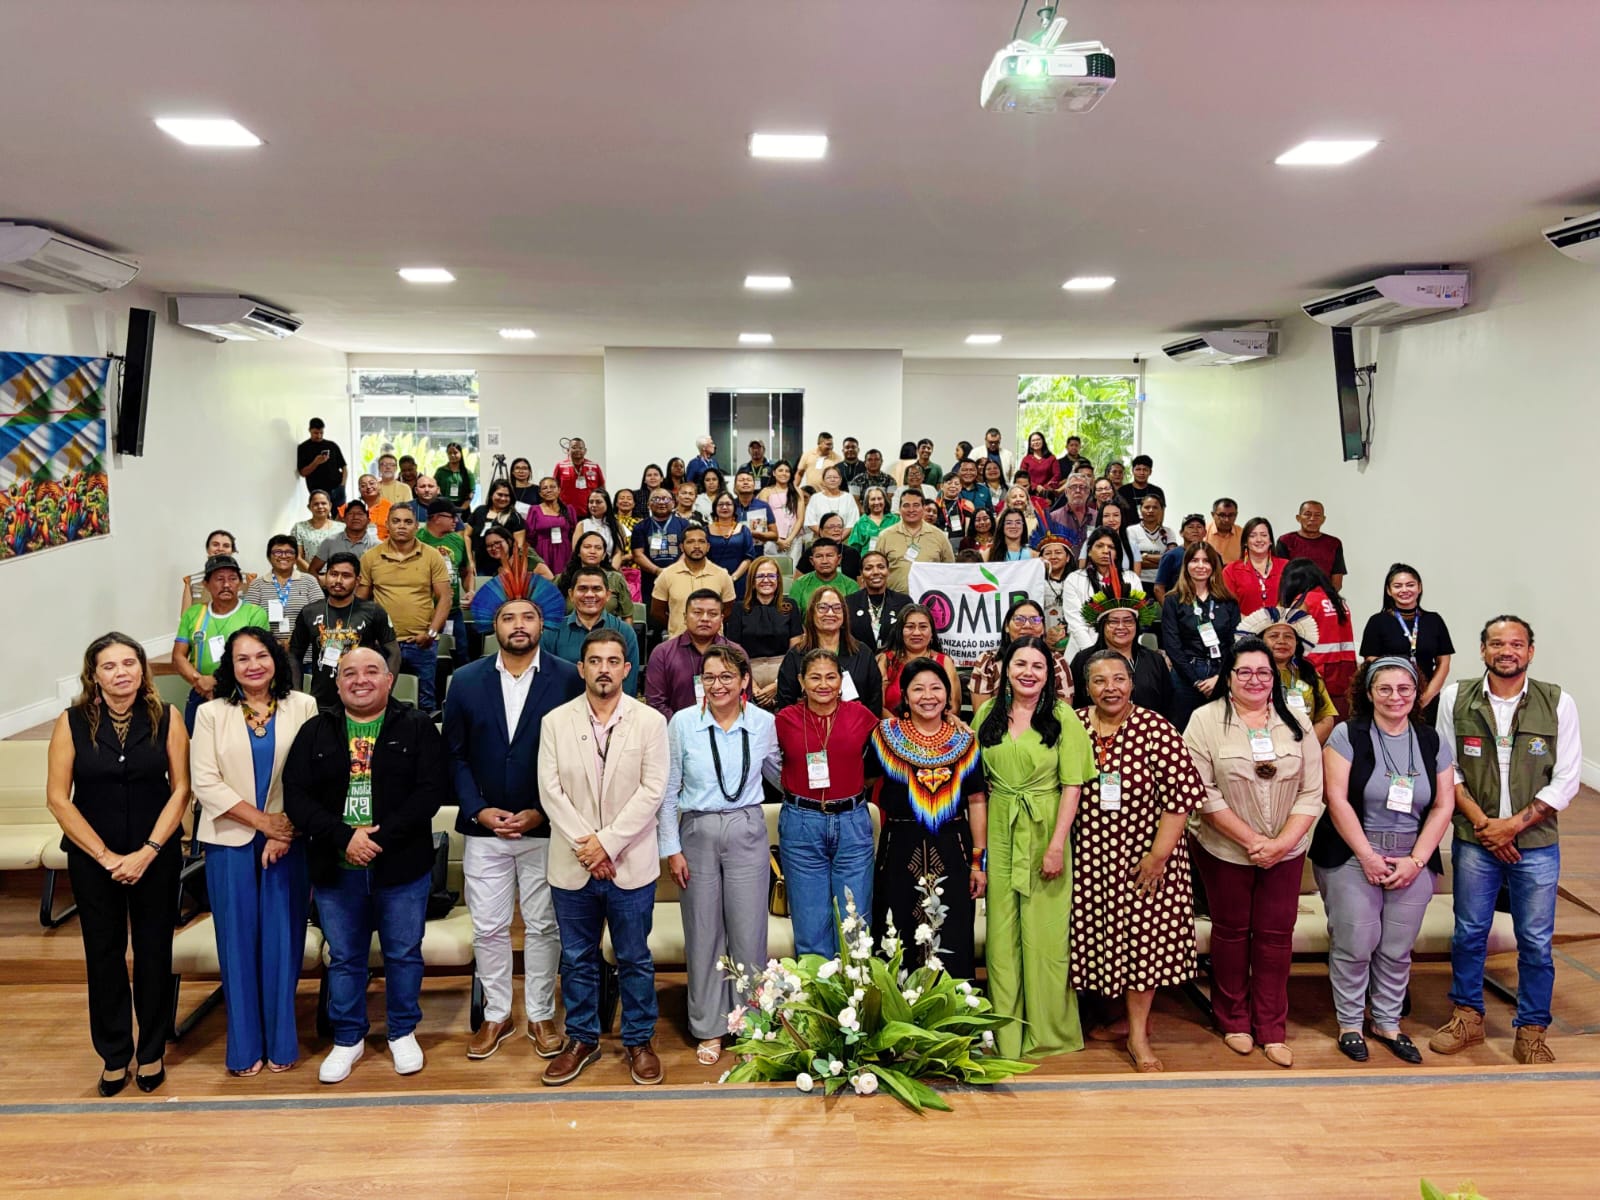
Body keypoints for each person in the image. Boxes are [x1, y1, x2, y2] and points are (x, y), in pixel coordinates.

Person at [284, 647, 447, 1084]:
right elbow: (296, 796)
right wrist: (345, 838)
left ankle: (402, 1031)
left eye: (372, 671)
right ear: (336, 684)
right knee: (345, 957)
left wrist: (376, 839)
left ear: (389, 679)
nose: (360, 680)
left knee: (403, 953)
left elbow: (430, 792)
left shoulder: (416, 727)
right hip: (337, 867)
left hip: (401, 865)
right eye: (349, 673)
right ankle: (348, 1037)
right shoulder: (315, 731)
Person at [1431, 616, 1582, 1065]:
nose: (1507, 651)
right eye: (1497, 643)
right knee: (1469, 932)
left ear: (1530, 651)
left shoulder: (1558, 702)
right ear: (1482, 650)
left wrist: (1512, 826)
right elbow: (1447, 768)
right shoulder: (1455, 698)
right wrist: (1486, 826)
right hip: (1476, 840)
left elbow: (1567, 778)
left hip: (1535, 843)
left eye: (1516, 644)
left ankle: (1532, 1028)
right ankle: (1467, 1017)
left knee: (1535, 939)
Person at [46, 634, 190, 1096]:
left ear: (142, 669)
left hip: (156, 855)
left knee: (153, 953)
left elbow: (181, 789)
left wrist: (147, 851)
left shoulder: (168, 717)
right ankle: (113, 1054)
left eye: (129, 662)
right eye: (109, 666)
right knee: (104, 956)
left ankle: (150, 1051)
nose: (121, 672)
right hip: (94, 860)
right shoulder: (70, 723)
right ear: (94, 675)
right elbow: (57, 799)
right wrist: (107, 857)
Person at [444, 597, 585, 1063]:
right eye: (509, 618)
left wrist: (542, 811)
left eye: (527, 617)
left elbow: (575, 756)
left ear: (542, 624)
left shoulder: (567, 677)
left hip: (546, 827)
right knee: (488, 927)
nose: (518, 625)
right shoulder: (464, 680)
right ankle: (498, 1013)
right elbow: (456, 755)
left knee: (545, 927)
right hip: (486, 829)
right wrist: (478, 810)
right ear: (494, 626)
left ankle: (542, 1014)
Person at [1184, 636, 1324, 1068]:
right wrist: (1250, 840)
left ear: (1274, 678)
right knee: (1231, 933)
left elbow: (1312, 790)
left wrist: (1281, 843)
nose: (1254, 679)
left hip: (1287, 847)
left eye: (1263, 672)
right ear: (1228, 677)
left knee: (1275, 937)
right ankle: (1234, 1020)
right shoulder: (1204, 720)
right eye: (1244, 671)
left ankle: (1272, 1026)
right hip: (1224, 848)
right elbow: (1201, 792)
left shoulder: (1296, 721)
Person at [537, 629, 670, 1086]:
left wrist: (608, 844)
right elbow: (549, 791)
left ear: (627, 669)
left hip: (630, 861)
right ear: (582, 668)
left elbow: (653, 790)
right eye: (595, 661)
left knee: (634, 956)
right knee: (576, 957)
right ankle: (582, 1039)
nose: (604, 669)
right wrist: (589, 846)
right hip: (572, 862)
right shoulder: (555, 721)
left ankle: (638, 1040)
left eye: (613, 661)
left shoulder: (650, 721)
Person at [1310, 658, 1456, 1065]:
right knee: (1356, 943)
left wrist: (1416, 860)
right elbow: (1335, 799)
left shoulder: (1431, 741)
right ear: (1369, 692)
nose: (1396, 697)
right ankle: (1351, 1023)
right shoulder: (1347, 734)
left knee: (1396, 948)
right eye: (1385, 689)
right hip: (1353, 854)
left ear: (1416, 693)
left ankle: (1388, 1022)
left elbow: (1444, 805)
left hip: (1413, 856)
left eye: (1405, 689)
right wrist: (1368, 857)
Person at [190, 628, 319, 1076]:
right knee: (237, 943)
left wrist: (283, 832)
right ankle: (244, 1047)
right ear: (231, 666)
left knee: (283, 941)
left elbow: (310, 776)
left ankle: (282, 1041)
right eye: (242, 659)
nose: (253, 666)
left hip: (288, 842)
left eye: (261, 656)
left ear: (275, 659)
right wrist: (263, 823)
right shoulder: (210, 713)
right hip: (230, 841)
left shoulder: (303, 706)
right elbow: (205, 782)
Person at [1072, 649, 1206, 1071]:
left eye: (1118, 679)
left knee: (1144, 948)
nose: (1109, 688)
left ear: (1132, 683)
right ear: (1087, 686)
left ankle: (1138, 1035)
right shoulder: (1073, 725)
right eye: (1099, 680)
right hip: (1089, 860)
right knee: (1099, 943)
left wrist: (1157, 856)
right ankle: (1110, 1020)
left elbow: (1181, 799)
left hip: (1145, 861)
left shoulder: (1156, 728)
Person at [659, 645, 781, 1065]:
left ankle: (751, 1025)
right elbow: (669, 788)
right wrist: (671, 848)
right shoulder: (683, 723)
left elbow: (782, 773)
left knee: (750, 933)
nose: (718, 685)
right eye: (709, 677)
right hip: (697, 828)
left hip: (747, 826)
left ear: (745, 680)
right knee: (704, 932)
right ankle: (709, 1027)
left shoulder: (764, 723)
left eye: (727, 676)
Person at [975, 636, 1092, 1058]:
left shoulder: (1063, 717)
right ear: (1006, 669)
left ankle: (1048, 1032)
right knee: (1002, 939)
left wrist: (1058, 844)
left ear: (1049, 674)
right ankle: (1006, 1034)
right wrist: (980, 852)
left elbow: (1073, 784)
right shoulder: (987, 714)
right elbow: (977, 787)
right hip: (1002, 829)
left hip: (1046, 829)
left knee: (1045, 938)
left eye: (1037, 666)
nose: (1028, 672)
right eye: (1020, 663)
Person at [870, 658, 986, 978]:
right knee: (898, 935)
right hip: (899, 850)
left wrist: (978, 863)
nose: (927, 695)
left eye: (936, 688)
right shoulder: (884, 736)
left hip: (954, 850)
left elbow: (977, 800)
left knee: (952, 936)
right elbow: (861, 783)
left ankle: (953, 1021)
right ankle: (901, 1022)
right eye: (917, 688)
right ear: (905, 697)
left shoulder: (966, 741)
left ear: (948, 696)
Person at [774, 648, 881, 955]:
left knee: (855, 922)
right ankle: (817, 999)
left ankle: (855, 999)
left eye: (831, 677)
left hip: (851, 821)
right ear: (801, 681)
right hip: (801, 823)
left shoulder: (861, 716)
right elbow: (770, 763)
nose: (823, 684)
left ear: (841, 680)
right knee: (810, 924)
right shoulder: (785, 720)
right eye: (815, 677)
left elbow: (882, 757)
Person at [358, 506, 451, 714]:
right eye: (396, 521)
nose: (402, 526)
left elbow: (445, 597)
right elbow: (360, 602)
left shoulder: (432, 556)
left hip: (422, 643)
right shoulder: (371, 557)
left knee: (426, 705)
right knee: (379, 700)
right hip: (383, 643)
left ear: (417, 527)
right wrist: (367, 636)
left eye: (408, 522)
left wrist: (431, 633)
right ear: (388, 525)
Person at [288, 552, 400, 708]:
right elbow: (294, 655)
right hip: (321, 702)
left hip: (363, 698)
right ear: (325, 577)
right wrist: (297, 694)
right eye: (333, 574)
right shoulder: (309, 612)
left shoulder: (373, 611)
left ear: (357, 581)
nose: (338, 581)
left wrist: (385, 690)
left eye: (346, 576)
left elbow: (394, 653)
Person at [174, 555, 271, 732]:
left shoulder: (254, 614)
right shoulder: (194, 614)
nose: (226, 585)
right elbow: (179, 656)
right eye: (219, 579)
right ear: (206, 584)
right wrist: (200, 681)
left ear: (240, 583)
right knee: (197, 747)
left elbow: (257, 657)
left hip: (243, 692)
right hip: (201, 691)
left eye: (233, 579)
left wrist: (217, 680)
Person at [1359, 563, 1456, 723]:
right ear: (1389, 591)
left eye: (1410, 585)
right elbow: (1372, 663)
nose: (1404, 590)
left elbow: (1444, 662)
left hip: (1427, 700)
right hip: (1392, 700)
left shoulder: (1434, 620)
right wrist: (1394, 695)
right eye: (1398, 586)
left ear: (1419, 588)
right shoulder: (1377, 621)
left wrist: (1426, 697)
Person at [1159, 543, 1240, 730]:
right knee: (1182, 731)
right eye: (1195, 560)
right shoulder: (1173, 600)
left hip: (1221, 673)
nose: (1200, 566)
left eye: (1206, 561)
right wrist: (1195, 681)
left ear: (1214, 566)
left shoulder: (1228, 601)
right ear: (1186, 565)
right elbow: (1172, 645)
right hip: (1185, 674)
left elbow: (1234, 643)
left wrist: (1220, 677)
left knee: (1220, 730)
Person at [1239, 606, 1338, 744]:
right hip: (1261, 746)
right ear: (1260, 641)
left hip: (1305, 748)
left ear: (1297, 642)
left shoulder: (1308, 672)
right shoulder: (1248, 674)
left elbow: (1326, 718)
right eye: (1274, 636)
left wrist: (1304, 746)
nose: (1282, 641)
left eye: (1288, 636)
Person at [775, 588, 883, 713]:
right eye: (823, 607)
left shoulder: (863, 653)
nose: (830, 613)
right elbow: (786, 702)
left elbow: (874, 700)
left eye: (837, 608)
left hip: (856, 728)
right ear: (811, 614)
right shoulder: (796, 655)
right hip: (808, 728)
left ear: (844, 615)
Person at [544, 564, 641, 696]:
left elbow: (629, 685)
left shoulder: (624, 633)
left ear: (607, 595)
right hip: (564, 711)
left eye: (596, 589)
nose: (589, 595)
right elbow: (545, 680)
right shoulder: (552, 632)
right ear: (571, 595)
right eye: (582, 589)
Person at [1069, 592, 1170, 718]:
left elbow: (1169, 704)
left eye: (1128, 621)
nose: (1121, 627)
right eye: (1113, 622)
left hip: (1148, 732)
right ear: (1102, 626)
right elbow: (1072, 705)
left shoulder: (1155, 660)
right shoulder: (1083, 660)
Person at [1279, 558, 1357, 718]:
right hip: (1345, 671)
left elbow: (1286, 634)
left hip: (1316, 671)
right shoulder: (1338, 602)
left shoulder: (1305, 602)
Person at [646, 589, 741, 717]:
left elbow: (744, 698)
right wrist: (682, 728)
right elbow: (655, 703)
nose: (705, 619)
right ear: (685, 617)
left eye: (712, 614)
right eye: (697, 613)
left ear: (721, 619)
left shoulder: (736, 654)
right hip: (677, 732)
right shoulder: (662, 653)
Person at [969, 598, 1073, 713]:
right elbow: (981, 716)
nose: (1027, 625)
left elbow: (1064, 713)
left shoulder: (1057, 662)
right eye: (1019, 619)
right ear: (1006, 627)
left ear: (1043, 628)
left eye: (1035, 620)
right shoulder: (988, 662)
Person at [727, 558, 802, 707]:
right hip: (748, 673)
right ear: (752, 582)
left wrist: (777, 685)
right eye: (760, 576)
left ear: (778, 580)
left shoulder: (791, 606)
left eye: (771, 576)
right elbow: (733, 652)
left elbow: (796, 651)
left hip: (783, 673)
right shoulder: (738, 609)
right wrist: (752, 686)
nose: (766, 580)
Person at [1062, 527, 1143, 660]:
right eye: (1099, 546)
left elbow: (1135, 618)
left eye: (1111, 547)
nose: (1106, 551)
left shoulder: (1131, 578)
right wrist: (1094, 655)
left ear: (1117, 553)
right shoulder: (1074, 579)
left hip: (1125, 650)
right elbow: (1076, 624)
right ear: (1089, 551)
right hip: (1083, 650)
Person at [470, 526, 568, 636]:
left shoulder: (525, 557)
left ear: (509, 541)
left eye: (497, 542)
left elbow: (549, 578)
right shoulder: (497, 570)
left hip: (538, 614)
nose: (493, 547)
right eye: (489, 546)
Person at [650, 525, 736, 640]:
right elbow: (657, 611)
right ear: (681, 547)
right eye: (690, 542)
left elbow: (728, 610)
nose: (696, 546)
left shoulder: (722, 575)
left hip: (714, 646)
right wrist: (678, 626)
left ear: (708, 546)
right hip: (678, 644)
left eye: (701, 542)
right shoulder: (667, 575)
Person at [876, 604, 960, 717]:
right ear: (900, 631)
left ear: (932, 633)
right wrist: (903, 730)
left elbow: (954, 707)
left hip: (936, 730)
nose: (916, 633)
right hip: (893, 730)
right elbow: (877, 705)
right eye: (910, 627)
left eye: (923, 627)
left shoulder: (944, 661)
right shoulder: (885, 660)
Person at [631, 487, 693, 638]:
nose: (661, 502)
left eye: (665, 499)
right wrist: (658, 571)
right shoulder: (641, 527)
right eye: (656, 499)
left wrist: (673, 570)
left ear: (673, 503)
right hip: (651, 581)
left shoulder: (684, 524)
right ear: (649, 504)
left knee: (680, 620)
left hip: (680, 577)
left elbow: (688, 550)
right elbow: (637, 554)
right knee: (653, 629)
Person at [417, 498, 475, 654]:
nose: (456, 520)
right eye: (452, 516)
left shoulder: (457, 539)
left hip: (453, 612)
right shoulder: (416, 540)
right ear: (436, 518)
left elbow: (466, 571)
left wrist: (470, 590)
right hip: (425, 614)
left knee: (461, 656)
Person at [244, 535, 323, 647]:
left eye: (289, 552)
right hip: (269, 651)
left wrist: (295, 641)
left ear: (296, 557)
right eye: (278, 552)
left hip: (305, 652)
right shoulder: (257, 585)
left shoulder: (309, 581)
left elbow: (320, 615)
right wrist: (274, 643)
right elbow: (249, 619)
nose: (284, 556)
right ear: (269, 556)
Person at [877, 490, 957, 598]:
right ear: (899, 509)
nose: (911, 510)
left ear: (923, 508)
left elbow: (950, 571)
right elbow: (876, 569)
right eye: (906, 505)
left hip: (930, 601)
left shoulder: (940, 536)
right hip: (893, 601)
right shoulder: (885, 536)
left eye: (916, 505)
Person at [179, 529, 254, 618]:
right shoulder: (191, 581)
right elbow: (185, 617)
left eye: (226, 546)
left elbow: (253, 613)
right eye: (215, 545)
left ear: (232, 550)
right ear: (207, 548)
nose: (220, 549)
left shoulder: (248, 579)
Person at [557, 530, 633, 618]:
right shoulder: (563, 578)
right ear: (578, 552)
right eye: (587, 547)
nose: (592, 551)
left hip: (608, 630)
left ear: (604, 555)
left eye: (598, 548)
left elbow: (627, 616)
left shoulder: (616, 579)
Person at [848, 549, 911, 653]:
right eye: (868, 568)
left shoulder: (903, 602)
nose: (876, 572)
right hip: (859, 662)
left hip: (894, 663)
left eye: (881, 567)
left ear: (888, 571)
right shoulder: (849, 602)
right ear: (861, 573)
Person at [1275, 500, 1346, 591]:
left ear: (1323, 519)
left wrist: (1324, 598)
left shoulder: (1334, 543)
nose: (1312, 518)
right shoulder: (1285, 541)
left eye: (1317, 515)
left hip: (1325, 598)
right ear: (1298, 518)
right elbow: (1280, 576)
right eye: (1307, 514)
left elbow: (1337, 581)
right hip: (1294, 599)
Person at [1221, 517, 1285, 617]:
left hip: (1281, 628)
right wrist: (1251, 626)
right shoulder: (1231, 571)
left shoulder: (1286, 566)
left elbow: (1295, 599)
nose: (1259, 540)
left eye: (1264, 535)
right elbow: (1227, 607)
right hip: (1244, 628)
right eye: (1253, 536)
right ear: (1245, 542)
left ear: (1270, 540)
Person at [469, 479, 529, 579]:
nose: (503, 498)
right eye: (499, 494)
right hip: (479, 565)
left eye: (507, 496)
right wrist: (470, 560)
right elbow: (467, 535)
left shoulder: (515, 517)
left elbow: (518, 547)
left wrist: (508, 568)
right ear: (492, 494)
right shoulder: (480, 511)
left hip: (503, 568)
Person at [704, 491, 756, 597]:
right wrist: (716, 577)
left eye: (728, 504)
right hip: (712, 579)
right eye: (720, 504)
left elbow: (749, 557)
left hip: (739, 580)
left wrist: (733, 577)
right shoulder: (705, 531)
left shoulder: (744, 530)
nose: (724, 507)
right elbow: (703, 556)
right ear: (715, 508)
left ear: (734, 507)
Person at [788, 537, 861, 613]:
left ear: (839, 559)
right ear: (812, 561)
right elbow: (793, 618)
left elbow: (854, 619)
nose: (824, 561)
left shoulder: (851, 586)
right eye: (819, 556)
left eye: (829, 555)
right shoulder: (800, 584)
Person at [310, 500, 377, 577]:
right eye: (351, 514)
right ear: (344, 519)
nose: (355, 517)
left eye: (360, 514)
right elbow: (312, 570)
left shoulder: (376, 545)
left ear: (368, 520)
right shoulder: (330, 542)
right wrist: (324, 582)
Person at [523, 478, 575, 575]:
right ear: (540, 493)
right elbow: (529, 537)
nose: (549, 490)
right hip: (542, 552)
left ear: (559, 490)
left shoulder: (569, 509)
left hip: (564, 551)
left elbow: (573, 533)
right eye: (545, 488)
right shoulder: (534, 510)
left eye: (552, 487)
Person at [757, 460, 807, 558]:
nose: (784, 473)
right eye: (780, 470)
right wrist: (778, 540)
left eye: (787, 471)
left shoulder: (797, 491)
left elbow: (800, 518)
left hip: (794, 538)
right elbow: (763, 519)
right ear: (774, 473)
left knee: (792, 571)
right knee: (772, 571)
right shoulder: (766, 491)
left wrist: (789, 540)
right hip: (772, 538)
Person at [1153, 513, 1207, 603]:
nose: (1195, 530)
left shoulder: (1213, 555)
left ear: (1205, 532)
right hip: (1178, 606)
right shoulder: (1171, 556)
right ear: (1181, 533)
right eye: (1190, 527)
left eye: (1199, 527)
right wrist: (1169, 611)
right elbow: (1158, 588)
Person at [1127, 495, 1176, 596]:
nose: (1151, 510)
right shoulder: (1131, 531)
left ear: (1161, 510)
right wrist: (1163, 561)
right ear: (1140, 510)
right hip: (1140, 582)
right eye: (1147, 507)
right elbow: (1132, 560)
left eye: (1155, 507)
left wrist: (1145, 556)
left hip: (1164, 582)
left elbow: (1172, 559)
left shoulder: (1168, 532)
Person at [797, 512, 863, 581]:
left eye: (839, 527)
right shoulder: (811, 552)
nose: (836, 530)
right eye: (831, 527)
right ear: (821, 531)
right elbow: (798, 581)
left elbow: (860, 582)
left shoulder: (852, 553)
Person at [297, 418, 348, 506]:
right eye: (316, 433)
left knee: (341, 517)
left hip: (337, 488)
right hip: (317, 492)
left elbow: (344, 467)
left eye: (321, 433)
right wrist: (316, 462)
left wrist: (342, 485)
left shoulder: (332, 445)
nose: (319, 436)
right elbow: (302, 472)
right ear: (309, 430)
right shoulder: (303, 448)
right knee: (321, 518)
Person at [1043, 475, 1096, 556]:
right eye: (1073, 487)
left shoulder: (1098, 516)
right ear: (1066, 492)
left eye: (1082, 487)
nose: (1078, 490)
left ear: (1088, 492)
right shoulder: (1053, 518)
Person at [803, 465, 860, 539]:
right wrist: (825, 537)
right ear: (823, 481)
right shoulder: (815, 498)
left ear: (840, 480)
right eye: (829, 477)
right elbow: (811, 522)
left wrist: (840, 538)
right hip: (821, 539)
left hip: (844, 539)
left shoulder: (848, 497)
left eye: (835, 477)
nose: (832, 480)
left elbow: (853, 522)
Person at [1083, 495, 1135, 574]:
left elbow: (1134, 577)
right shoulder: (1089, 542)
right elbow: (1082, 571)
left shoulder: (1132, 544)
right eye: (1106, 516)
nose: (1111, 520)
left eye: (1116, 515)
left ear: (1122, 517)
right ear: (1101, 518)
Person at [577, 489, 628, 567]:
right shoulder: (582, 524)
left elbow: (618, 553)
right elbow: (577, 551)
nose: (594, 505)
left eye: (598, 502)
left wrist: (610, 573)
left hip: (610, 568)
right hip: (585, 570)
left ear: (607, 504)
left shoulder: (616, 525)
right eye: (591, 502)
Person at [554, 436, 605, 511]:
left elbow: (602, 489)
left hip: (590, 511)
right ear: (568, 450)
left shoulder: (594, 466)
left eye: (580, 448)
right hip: (566, 511)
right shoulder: (560, 466)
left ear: (585, 451)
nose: (577, 450)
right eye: (574, 447)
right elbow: (554, 489)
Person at [292, 491, 338, 571]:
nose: (320, 506)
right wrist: (314, 574)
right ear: (309, 507)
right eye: (316, 504)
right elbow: (297, 556)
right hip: (308, 577)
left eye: (323, 503)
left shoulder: (342, 528)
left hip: (337, 577)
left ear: (330, 505)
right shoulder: (299, 528)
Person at [730, 470, 776, 549]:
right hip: (733, 552)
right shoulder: (729, 505)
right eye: (741, 480)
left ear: (754, 486)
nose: (745, 482)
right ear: (735, 486)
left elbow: (775, 535)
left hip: (757, 553)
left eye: (749, 480)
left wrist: (757, 534)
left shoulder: (763, 506)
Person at [847, 485, 898, 554]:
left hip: (891, 561)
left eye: (879, 498)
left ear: (885, 501)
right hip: (867, 562)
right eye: (873, 499)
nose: (876, 502)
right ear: (867, 503)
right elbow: (853, 551)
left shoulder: (895, 520)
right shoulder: (860, 523)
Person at [434, 442, 475, 517]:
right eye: (449, 453)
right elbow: (435, 488)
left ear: (461, 454)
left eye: (455, 452)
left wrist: (460, 510)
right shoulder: (440, 471)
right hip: (444, 507)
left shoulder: (468, 473)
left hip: (463, 508)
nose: (452, 455)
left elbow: (471, 494)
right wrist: (444, 505)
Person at [1206, 498, 1242, 564]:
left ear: (1236, 515)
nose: (1226, 520)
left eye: (1231, 515)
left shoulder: (1243, 534)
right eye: (1222, 515)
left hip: (1233, 573)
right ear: (1213, 514)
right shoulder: (1203, 532)